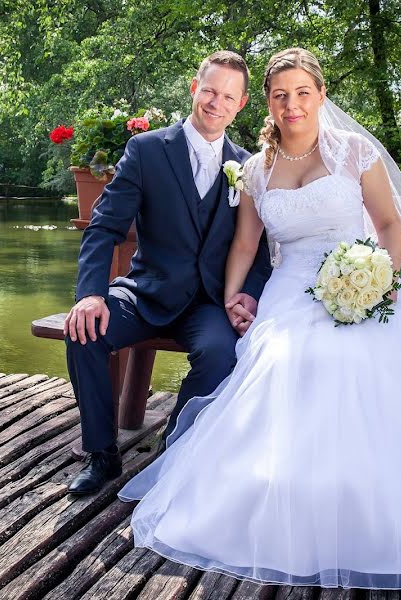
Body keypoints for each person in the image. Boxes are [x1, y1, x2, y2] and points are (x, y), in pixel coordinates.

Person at [118, 48, 401, 589]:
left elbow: (389, 226)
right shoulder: (254, 169)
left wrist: (379, 281)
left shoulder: (354, 153)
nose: (291, 105)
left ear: (320, 95)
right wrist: (232, 298)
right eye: (279, 95)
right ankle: (282, 498)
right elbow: (246, 246)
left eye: (301, 93)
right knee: (285, 357)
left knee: (373, 360)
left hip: (363, 282)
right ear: (265, 104)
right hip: (290, 291)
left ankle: (377, 505)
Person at [64, 51, 273, 496]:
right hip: (147, 293)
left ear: (241, 104)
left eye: (228, 96)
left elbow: (256, 251)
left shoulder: (249, 166)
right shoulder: (146, 150)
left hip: (209, 304)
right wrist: (90, 294)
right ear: (194, 89)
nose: (216, 102)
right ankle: (102, 455)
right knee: (83, 330)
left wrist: (248, 295)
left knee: (221, 353)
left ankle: (172, 448)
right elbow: (104, 227)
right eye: (210, 90)